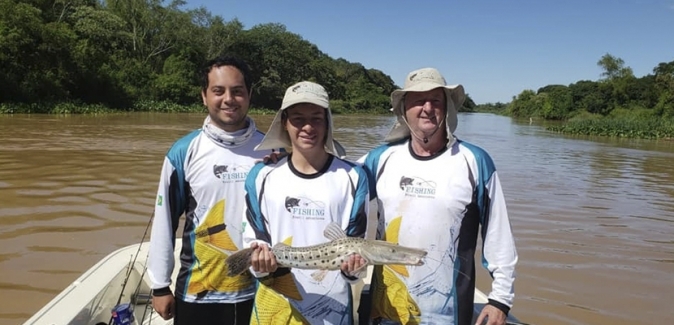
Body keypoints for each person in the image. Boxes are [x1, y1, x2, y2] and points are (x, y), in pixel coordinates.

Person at [358, 67, 518, 325]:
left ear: (447, 109)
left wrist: (500, 299)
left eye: (436, 100)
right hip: (385, 309)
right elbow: (334, 185)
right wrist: (280, 163)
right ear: (403, 110)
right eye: (418, 100)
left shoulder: (474, 161)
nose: (427, 108)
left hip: (449, 315)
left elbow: (498, 233)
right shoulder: (380, 159)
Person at [146, 56, 278, 325]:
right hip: (199, 292)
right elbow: (164, 222)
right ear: (204, 96)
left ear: (249, 96)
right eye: (218, 91)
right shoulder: (183, 152)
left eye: (237, 91)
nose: (229, 99)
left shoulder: (273, 151)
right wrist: (160, 286)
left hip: (261, 289)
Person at [241, 81, 370, 325]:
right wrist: (259, 262)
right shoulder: (260, 176)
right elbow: (253, 238)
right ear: (284, 124)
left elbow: (356, 247)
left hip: (333, 311)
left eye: (317, 118)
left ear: (327, 122)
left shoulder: (353, 177)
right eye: (298, 118)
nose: (308, 127)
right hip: (274, 308)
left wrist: (354, 269)